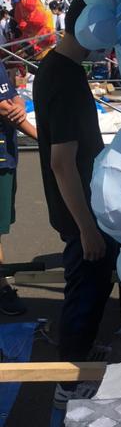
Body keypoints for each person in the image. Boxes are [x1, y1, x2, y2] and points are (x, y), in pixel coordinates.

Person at [32, 0, 118, 400]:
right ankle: (69, 380)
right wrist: (87, 229)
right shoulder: (63, 78)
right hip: (80, 209)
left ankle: (81, 350)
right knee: (85, 290)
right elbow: (61, 162)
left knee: (92, 287)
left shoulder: (58, 66)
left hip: (82, 203)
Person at [0, 57, 37, 315]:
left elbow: (11, 96)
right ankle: (1, 286)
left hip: (7, 155)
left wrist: (21, 104)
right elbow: (4, 108)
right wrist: (45, 139)